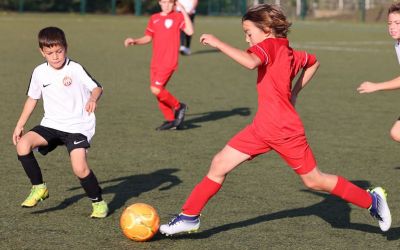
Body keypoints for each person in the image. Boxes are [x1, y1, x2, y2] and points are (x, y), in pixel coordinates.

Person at [159, 4, 391, 235]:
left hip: (283, 129)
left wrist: (218, 42)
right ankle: (189, 216)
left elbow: (251, 63)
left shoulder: (269, 46)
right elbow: (313, 61)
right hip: (262, 127)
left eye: (249, 33)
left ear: (267, 29)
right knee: (219, 163)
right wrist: (295, 92)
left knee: (314, 180)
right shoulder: (286, 50)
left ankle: (372, 201)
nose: (247, 40)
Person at [12, 27, 108, 218]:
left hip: (77, 127)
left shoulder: (75, 69)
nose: (55, 57)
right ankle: (39, 188)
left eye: (59, 51)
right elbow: (32, 99)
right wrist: (19, 124)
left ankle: (98, 202)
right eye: (49, 53)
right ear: (42, 52)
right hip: (51, 124)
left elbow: (97, 88)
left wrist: (92, 99)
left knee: (79, 167)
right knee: (23, 145)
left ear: (66, 48)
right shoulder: (39, 72)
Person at [124, 0, 194, 130]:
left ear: (174, 4)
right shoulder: (154, 18)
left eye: (170, 3)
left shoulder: (178, 17)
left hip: (169, 61)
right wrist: (135, 41)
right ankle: (171, 121)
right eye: (164, 2)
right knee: (158, 92)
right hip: (156, 62)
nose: (167, 5)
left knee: (156, 88)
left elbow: (189, 31)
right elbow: (148, 37)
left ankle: (179, 106)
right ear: (159, 3)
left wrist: (183, 11)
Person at [357, 2, 400, 143]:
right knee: (397, 132)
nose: (392, 27)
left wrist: (377, 86)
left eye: (397, 23)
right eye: (390, 23)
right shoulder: (398, 44)